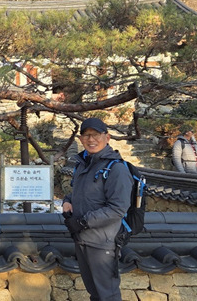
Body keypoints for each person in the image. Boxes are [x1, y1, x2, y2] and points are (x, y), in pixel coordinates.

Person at [62, 118, 132, 301]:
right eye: (86, 135)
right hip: (82, 238)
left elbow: (118, 208)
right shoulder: (82, 164)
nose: (91, 139)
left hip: (102, 243)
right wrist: (67, 202)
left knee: (107, 295)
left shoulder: (116, 169)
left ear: (107, 137)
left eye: (95, 135)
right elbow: (76, 193)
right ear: (80, 138)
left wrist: (83, 222)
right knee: (95, 293)